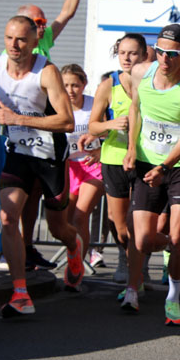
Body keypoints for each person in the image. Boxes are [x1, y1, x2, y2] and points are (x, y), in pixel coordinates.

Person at [0, 15, 84, 317]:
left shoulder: (47, 73)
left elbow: (66, 122)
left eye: (21, 40)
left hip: (50, 156)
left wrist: (17, 119)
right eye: (9, 38)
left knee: (57, 228)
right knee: (7, 218)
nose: (14, 45)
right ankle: (20, 293)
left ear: (35, 42)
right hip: (19, 153)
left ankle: (74, 244)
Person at [122, 24, 180, 323]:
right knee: (144, 239)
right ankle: (176, 245)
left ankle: (173, 299)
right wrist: (132, 148)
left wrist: (164, 167)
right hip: (147, 163)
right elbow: (135, 109)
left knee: (176, 228)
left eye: (172, 54)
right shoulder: (140, 73)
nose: (165, 59)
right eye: (160, 51)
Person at [16, 0, 93, 270]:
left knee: (51, 208)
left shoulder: (43, 40)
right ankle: (25, 247)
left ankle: (66, 243)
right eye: (37, 20)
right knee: (25, 195)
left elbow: (67, 12)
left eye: (43, 20)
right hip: (22, 133)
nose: (43, 24)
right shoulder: (13, 52)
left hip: (49, 134)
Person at [89, 34, 148, 290]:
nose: (127, 58)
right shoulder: (108, 85)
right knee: (118, 220)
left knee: (140, 218)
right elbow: (93, 126)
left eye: (133, 53)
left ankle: (138, 263)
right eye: (122, 52)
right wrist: (111, 123)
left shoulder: (151, 83)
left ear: (144, 55)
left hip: (145, 158)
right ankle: (126, 257)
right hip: (113, 157)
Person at [62, 64, 103, 261]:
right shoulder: (56, 106)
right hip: (68, 167)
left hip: (92, 165)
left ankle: (77, 265)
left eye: (75, 85)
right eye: (66, 85)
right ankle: (74, 256)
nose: (70, 90)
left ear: (84, 84)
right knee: (67, 219)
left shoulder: (93, 105)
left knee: (80, 215)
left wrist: (99, 150)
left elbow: (108, 132)